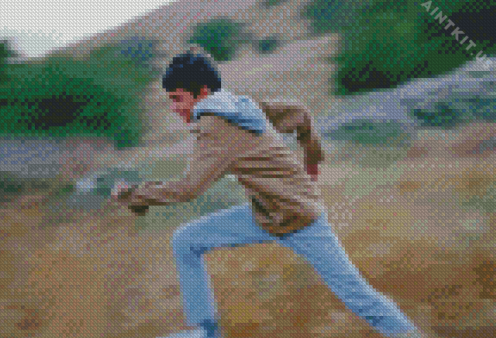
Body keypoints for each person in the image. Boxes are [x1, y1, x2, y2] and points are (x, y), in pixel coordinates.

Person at [111, 47, 432, 338]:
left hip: (300, 220)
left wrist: (133, 195)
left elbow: (188, 189)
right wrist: (312, 155)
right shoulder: (242, 105)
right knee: (185, 240)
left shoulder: (215, 125)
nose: (173, 108)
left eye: (177, 98)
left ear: (202, 93)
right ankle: (206, 332)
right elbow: (299, 113)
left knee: (362, 300)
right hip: (267, 216)